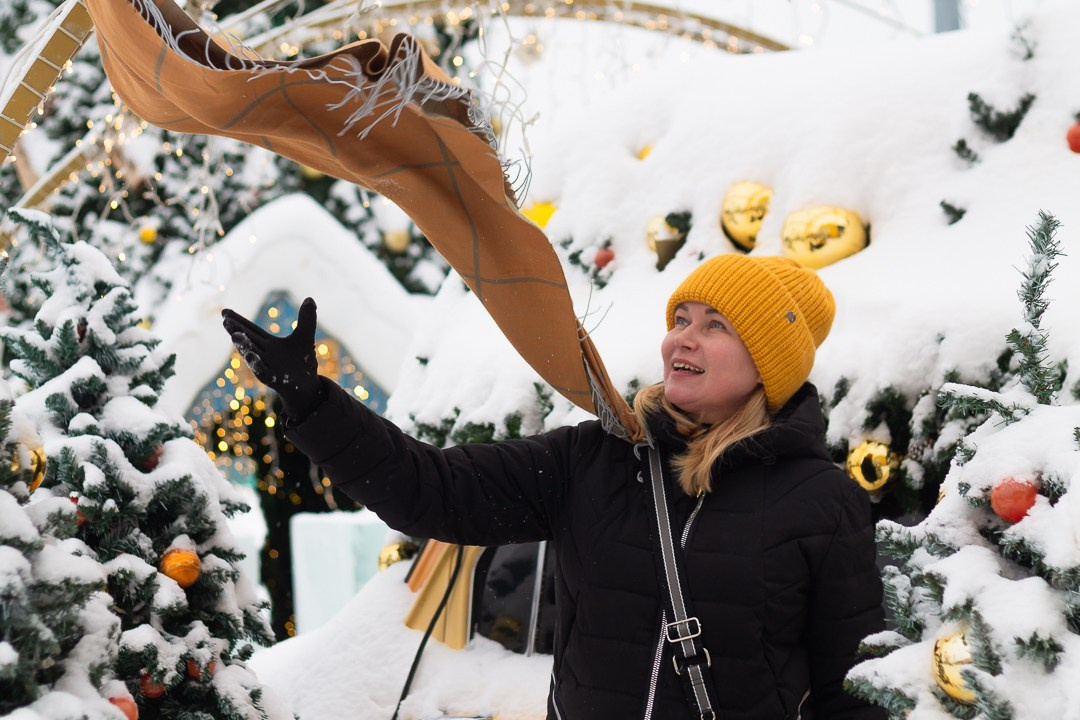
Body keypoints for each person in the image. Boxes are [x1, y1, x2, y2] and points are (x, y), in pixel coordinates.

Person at [222, 254, 885, 720]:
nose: (683, 339)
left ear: (768, 363)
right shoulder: (594, 459)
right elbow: (432, 490)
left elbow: (852, 694)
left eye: (716, 325)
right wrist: (312, 402)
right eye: (680, 319)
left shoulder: (822, 503)